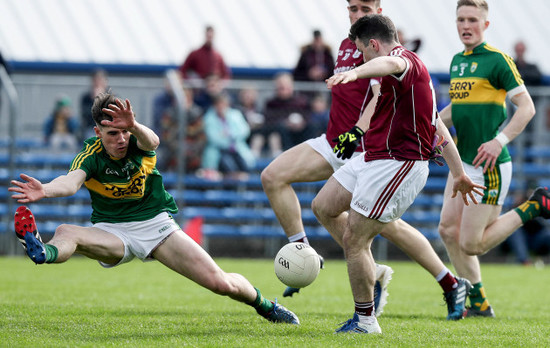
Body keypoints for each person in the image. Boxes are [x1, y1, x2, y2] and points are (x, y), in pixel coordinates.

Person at [261, 0, 472, 322]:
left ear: (378, 13)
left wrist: (357, 79)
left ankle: (431, 286)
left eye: (363, 7)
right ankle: (307, 252)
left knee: (377, 231)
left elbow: (386, 77)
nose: (356, 12)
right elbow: (432, 120)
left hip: (380, 153)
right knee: (301, 193)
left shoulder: (395, 58)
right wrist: (457, 171)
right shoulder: (352, 46)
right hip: (345, 144)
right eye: (352, 7)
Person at [9, 92, 299, 326]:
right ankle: (42, 252)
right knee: (66, 231)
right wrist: (45, 189)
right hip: (112, 231)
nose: (120, 140)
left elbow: (154, 141)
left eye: (124, 132)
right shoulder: (91, 155)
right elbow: (71, 183)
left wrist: (133, 125)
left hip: (156, 226)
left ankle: (266, 306)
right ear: (98, 132)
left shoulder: (137, 140)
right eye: (112, 134)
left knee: (220, 283)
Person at [314, 14, 484, 334]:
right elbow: (437, 125)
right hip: (373, 157)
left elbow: (386, 65)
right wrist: (458, 172)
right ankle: (371, 271)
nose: (362, 57)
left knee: (355, 237)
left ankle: (366, 321)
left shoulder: (401, 61)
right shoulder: (411, 76)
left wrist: (355, 73)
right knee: (323, 206)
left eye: (363, 51)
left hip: (399, 163)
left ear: (374, 45)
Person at [438, 0, 546, 319]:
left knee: (472, 245)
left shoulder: (498, 60)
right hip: (462, 162)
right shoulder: (458, 60)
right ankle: (479, 303)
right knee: (446, 230)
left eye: (472, 19)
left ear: (486, 24)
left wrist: (499, 141)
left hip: (490, 167)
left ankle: (534, 206)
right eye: (461, 19)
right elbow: (457, 109)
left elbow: (527, 108)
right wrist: (432, 121)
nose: (465, 25)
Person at [152, 77, 205, 172]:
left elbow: (201, 138)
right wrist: (179, 149)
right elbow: (166, 137)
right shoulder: (169, 114)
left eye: (187, 98)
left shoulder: (197, 114)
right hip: (173, 154)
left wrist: (190, 151)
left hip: (193, 155)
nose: (185, 101)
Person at [201, 93, 255, 180]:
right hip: (219, 151)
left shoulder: (235, 115)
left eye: (223, 104)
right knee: (228, 166)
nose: (221, 107)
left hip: (236, 149)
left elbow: (244, 131)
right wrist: (228, 139)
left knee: (246, 168)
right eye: (219, 104)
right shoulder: (209, 118)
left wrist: (229, 135)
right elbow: (213, 138)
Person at [263, 72, 311, 153]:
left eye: (286, 85)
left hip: (301, 131)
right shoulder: (271, 103)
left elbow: (309, 116)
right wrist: (286, 122)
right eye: (281, 86)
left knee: (312, 126)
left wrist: (302, 122)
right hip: (283, 134)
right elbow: (268, 121)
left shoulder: (301, 101)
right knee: (280, 128)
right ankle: (289, 154)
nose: (284, 88)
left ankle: (309, 152)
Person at [236, 86, 266, 159]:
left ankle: (254, 154)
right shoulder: (237, 109)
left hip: (255, 132)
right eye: (246, 95)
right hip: (242, 134)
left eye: (250, 95)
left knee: (260, 136)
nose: (248, 97)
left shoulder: (258, 109)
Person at [80, 69, 109, 141]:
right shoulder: (86, 98)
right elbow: (86, 115)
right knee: (90, 137)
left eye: (100, 80)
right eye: (96, 80)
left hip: (109, 127)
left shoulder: (113, 96)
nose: (98, 83)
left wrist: (102, 100)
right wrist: (95, 101)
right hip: (92, 128)